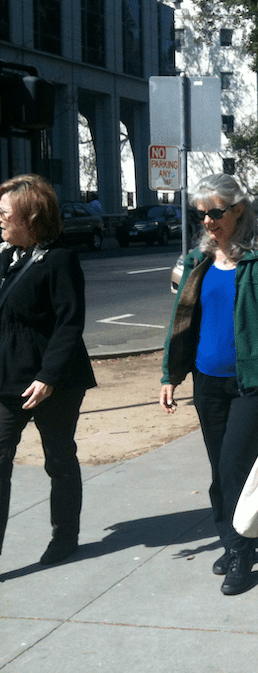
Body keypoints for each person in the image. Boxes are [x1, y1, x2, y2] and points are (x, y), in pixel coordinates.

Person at [160, 174, 258, 595]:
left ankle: (241, 554)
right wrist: (170, 375)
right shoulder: (197, 262)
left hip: (253, 383)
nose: (208, 221)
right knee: (219, 470)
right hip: (207, 382)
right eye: (202, 214)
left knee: (232, 468)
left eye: (216, 212)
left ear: (238, 210)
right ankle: (238, 538)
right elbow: (180, 323)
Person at [0, 175, 96, 566]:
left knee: (58, 458)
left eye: (5, 213)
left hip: (54, 382)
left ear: (31, 217)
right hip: (10, 379)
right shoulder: (8, 257)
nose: (0, 219)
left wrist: (48, 377)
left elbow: (69, 323)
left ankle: (65, 536)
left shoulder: (59, 260)